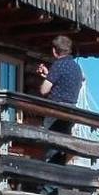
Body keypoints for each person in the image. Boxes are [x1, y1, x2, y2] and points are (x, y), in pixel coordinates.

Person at [34, 35, 83, 168]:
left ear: (55, 51)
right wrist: (48, 75)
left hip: (56, 110)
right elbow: (64, 84)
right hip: (71, 110)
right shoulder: (76, 68)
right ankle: (56, 178)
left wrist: (47, 78)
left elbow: (44, 90)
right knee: (62, 147)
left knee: (51, 146)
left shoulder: (59, 65)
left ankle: (48, 178)